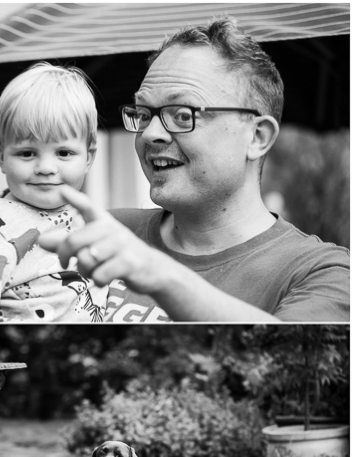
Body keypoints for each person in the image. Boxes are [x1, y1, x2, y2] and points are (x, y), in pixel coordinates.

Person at [40, 17, 350, 322]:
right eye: (144, 113)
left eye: (182, 114)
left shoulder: (321, 271)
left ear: (257, 137)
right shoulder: (101, 230)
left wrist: (157, 273)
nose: (149, 134)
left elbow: (283, 355)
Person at [0, 62, 107, 322]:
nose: (46, 168)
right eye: (27, 153)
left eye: (64, 153)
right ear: (1, 157)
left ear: (88, 157)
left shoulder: (85, 217)